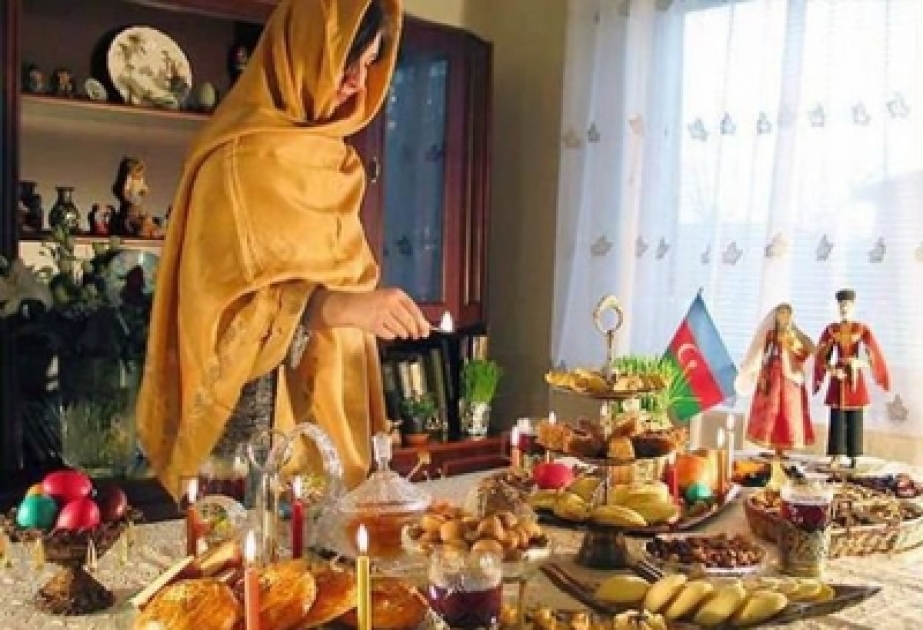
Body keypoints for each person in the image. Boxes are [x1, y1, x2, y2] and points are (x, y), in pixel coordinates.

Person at [136, 0, 430, 499]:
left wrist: (364, 311)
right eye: (347, 62)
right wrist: (339, 307)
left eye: (369, 64)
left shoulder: (336, 160)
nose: (358, 82)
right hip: (252, 432)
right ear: (305, 52)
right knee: (257, 545)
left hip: (334, 416)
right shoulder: (235, 161)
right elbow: (222, 314)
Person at [813, 289, 890, 468]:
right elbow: (821, 357)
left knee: (855, 417)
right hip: (839, 375)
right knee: (837, 417)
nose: (844, 308)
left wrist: (859, 362)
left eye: (847, 305)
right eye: (841, 305)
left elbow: (874, 356)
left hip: (855, 378)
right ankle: (836, 454)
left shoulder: (861, 329)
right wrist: (832, 370)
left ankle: (855, 455)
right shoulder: (831, 330)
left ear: (853, 306)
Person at [736, 303, 816, 460]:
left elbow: (804, 353)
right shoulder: (770, 335)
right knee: (770, 413)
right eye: (781, 313)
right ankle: (774, 447)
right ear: (776, 316)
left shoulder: (794, 335)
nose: (784, 316)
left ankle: (782, 448)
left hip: (789, 379)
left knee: (788, 412)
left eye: (787, 313)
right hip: (771, 376)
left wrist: (792, 343)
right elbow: (762, 353)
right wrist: (751, 367)